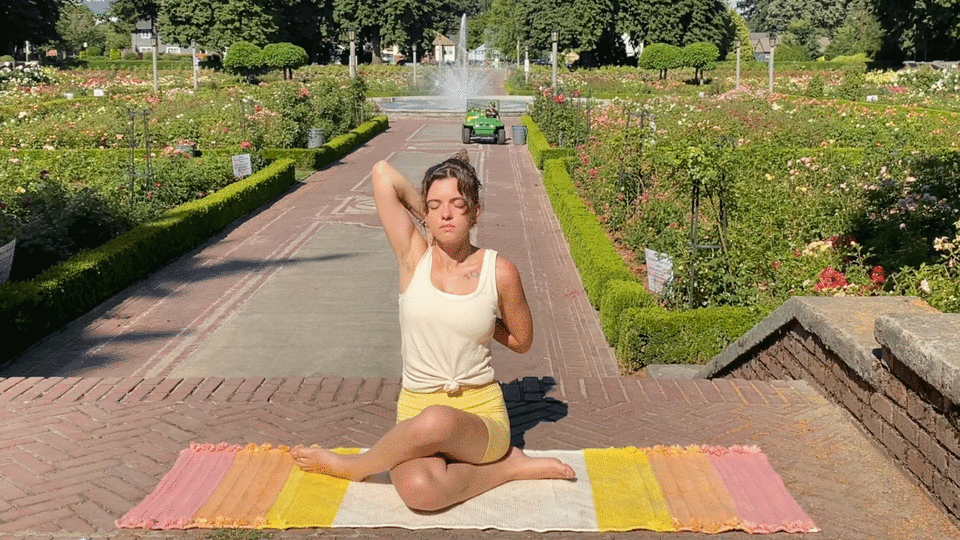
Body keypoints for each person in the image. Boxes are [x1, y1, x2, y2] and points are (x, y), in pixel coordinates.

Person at [291, 151, 575, 512]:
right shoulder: (414, 258)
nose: (445, 214)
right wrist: (425, 210)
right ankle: (510, 469)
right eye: (435, 205)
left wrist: (484, 320)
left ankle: (352, 467)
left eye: (457, 204)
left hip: (480, 421)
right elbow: (382, 172)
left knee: (438, 418)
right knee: (421, 491)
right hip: (416, 411)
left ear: (475, 211)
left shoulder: (499, 271)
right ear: (425, 211)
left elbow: (522, 341)